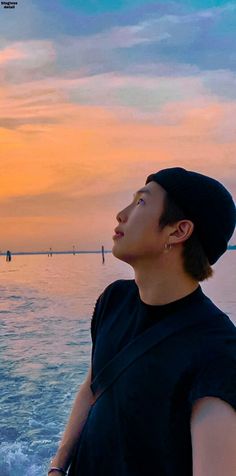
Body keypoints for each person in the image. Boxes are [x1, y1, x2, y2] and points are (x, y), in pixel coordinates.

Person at [48, 167, 236, 476]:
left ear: (178, 231)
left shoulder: (217, 350)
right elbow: (93, 387)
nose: (121, 215)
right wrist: (58, 466)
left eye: (141, 203)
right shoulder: (114, 300)